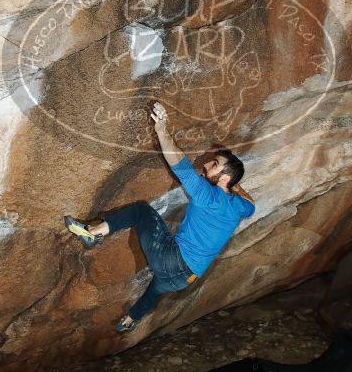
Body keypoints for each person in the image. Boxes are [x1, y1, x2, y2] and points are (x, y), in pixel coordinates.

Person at [65, 102, 255, 332]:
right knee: (156, 288)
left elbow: (178, 162)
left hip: (172, 261)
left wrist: (162, 130)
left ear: (224, 177)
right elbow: (251, 204)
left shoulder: (206, 194)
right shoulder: (240, 207)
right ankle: (131, 320)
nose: (206, 164)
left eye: (214, 164)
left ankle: (94, 234)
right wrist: (232, 187)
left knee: (140, 211)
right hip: (184, 279)